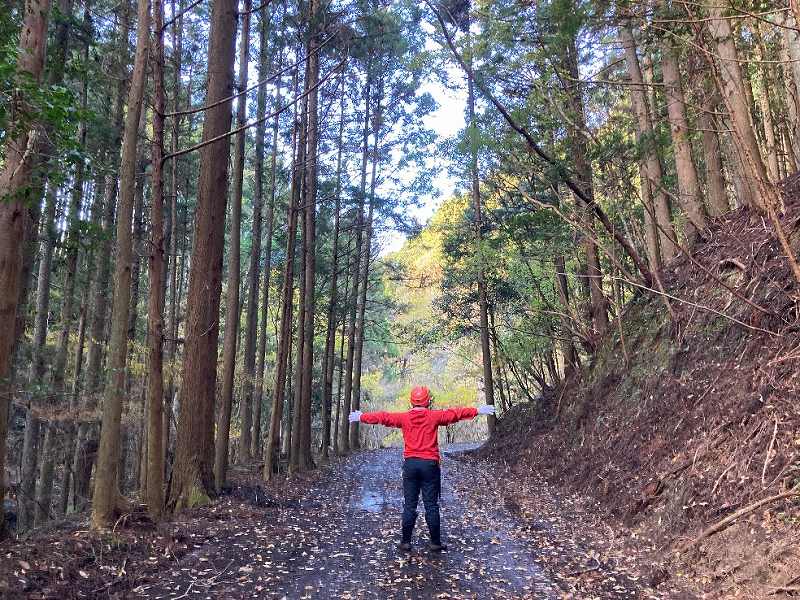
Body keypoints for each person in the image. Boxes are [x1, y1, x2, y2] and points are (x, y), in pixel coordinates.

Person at [348, 385, 495, 552]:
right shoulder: (434, 416)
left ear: (412, 401)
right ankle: (435, 543)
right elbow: (455, 414)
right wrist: (477, 410)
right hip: (429, 465)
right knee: (431, 505)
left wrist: (362, 417)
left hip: (410, 465)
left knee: (409, 505)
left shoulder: (404, 418)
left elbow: (384, 417)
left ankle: (405, 542)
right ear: (428, 401)